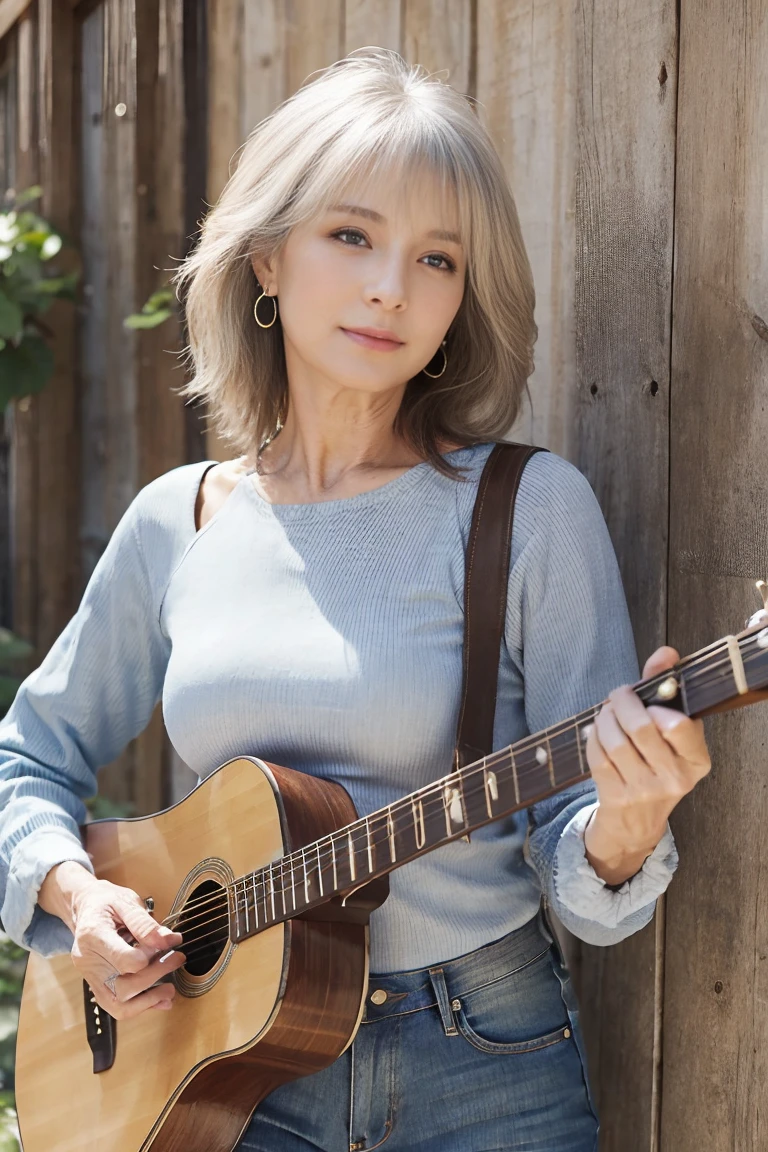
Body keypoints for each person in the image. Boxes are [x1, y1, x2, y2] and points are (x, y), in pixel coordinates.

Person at [0, 48, 711, 1152]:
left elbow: (584, 870)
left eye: (437, 258)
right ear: (267, 261)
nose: (392, 286)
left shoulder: (529, 510)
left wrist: (624, 825)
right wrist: (77, 899)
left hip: (483, 1057)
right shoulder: (177, 523)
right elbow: (26, 759)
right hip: (223, 1073)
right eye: (352, 235)